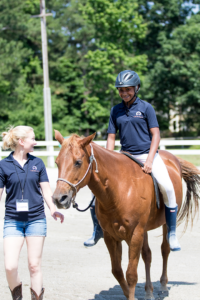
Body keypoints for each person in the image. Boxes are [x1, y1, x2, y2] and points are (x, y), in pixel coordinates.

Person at [106, 70, 181, 252]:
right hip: (124, 156)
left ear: (136, 88)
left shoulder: (146, 108)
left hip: (148, 155)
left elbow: (156, 135)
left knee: (168, 187)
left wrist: (149, 160)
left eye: (128, 90)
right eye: (121, 90)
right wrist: (108, 160)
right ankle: (97, 230)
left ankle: (171, 233)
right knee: (99, 189)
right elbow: (111, 137)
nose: (124, 93)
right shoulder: (115, 110)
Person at [0, 126, 64, 300]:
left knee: (34, 265)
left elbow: (45, 190)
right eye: (32, 139)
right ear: (21, 142)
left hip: (36, 220)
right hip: (12, 221)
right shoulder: (3, 165)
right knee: (10, 266)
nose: (35, 142)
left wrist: (53, 209)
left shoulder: (38, 163)